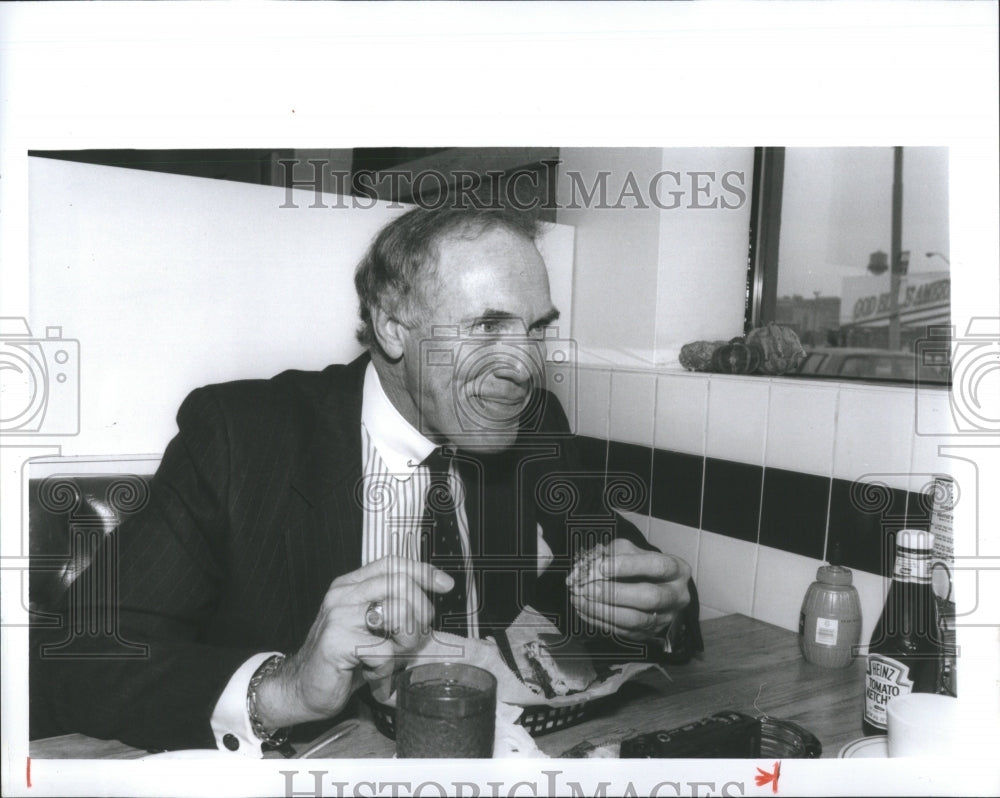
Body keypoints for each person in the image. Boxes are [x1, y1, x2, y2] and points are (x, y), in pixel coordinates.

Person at [32, 205, 699, 756]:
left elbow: (633, 575)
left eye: (536, 331)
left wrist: (660, 608)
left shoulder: (535, 426)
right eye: (488, 326)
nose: (524, 367)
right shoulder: (244, 437)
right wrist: (285, 688)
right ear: (390, 326)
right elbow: (77, 658)